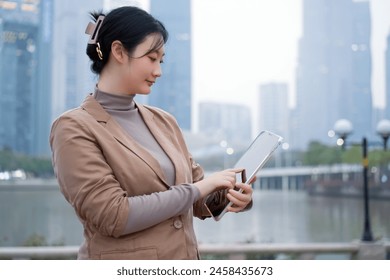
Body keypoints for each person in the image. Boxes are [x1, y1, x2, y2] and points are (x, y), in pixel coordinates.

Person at [49, 6, 253, 260]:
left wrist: (231, 197)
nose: (159, 71)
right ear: (119, 51)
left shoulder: (163, 121)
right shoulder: (74, 127)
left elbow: (199, 199)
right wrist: (200, 188)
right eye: (152, 58)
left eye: (161, 60)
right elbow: (113, 216)